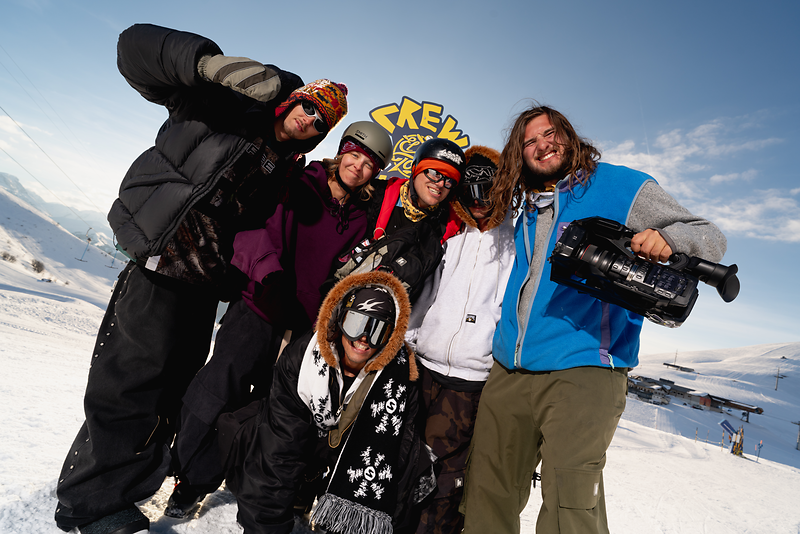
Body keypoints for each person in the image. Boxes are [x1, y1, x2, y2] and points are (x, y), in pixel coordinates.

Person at [54, 23, 348, 534]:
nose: (308, 120)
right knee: (130, 381)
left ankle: (124, 494)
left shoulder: (281, 167)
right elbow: (134, 50)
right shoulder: (223, 105)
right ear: (291, 101)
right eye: (308, 106)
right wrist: (206, 64)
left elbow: (250, 229)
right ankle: (89, 505)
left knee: (172, 390)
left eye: (320, 121)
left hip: (204, 281)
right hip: (160, 259)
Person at [460, 104, 728, 534]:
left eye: (550, 134)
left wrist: (668, 237)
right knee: (486, 493)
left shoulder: (620, 185)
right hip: (508, 369)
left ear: (568, 135)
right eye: (529, 142)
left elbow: (710, 234)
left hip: (584, 368)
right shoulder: (526, 204)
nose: (542, 145)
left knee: (571, 506)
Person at [166, 121, 393, 518]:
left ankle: (249, 486)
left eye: (369, 163)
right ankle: (190, 480)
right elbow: (256, 226)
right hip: (261, 306)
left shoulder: (362, 215)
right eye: (354, 155)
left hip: (305, 328)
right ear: (342, 152)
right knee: (219, 390)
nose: (358, 166)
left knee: (272, 410)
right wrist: (269, 274)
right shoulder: (300, 182)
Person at [218, 270, 431, 534]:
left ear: (390, 337)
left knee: (415, 465)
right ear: (340, 320)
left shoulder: (401, 382)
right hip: (307, 448)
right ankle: (300, 494)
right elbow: (277, 455)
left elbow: (394, 472)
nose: (363, 338)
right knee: (257, 437)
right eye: (356, 323)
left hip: (350, 463)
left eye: (376, 329)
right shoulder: (302, 359)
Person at [404, 145, 515, 534]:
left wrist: (492, 359)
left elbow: (509, 309)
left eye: (488, 195)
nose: (480, 204)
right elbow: (424, 292)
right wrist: (410, 342)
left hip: (470, 378)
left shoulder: (514, 245)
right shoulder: (450, 234)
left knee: (447, 476)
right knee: (406, 459)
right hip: (423, 367)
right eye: (470, 194)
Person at [334, 137, 466, 303]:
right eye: (434, 173)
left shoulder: (447, 229)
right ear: (415, 169)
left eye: (450, 180)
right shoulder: (374, 194)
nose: (440, 184)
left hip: (392, 317)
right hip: (335, 298)